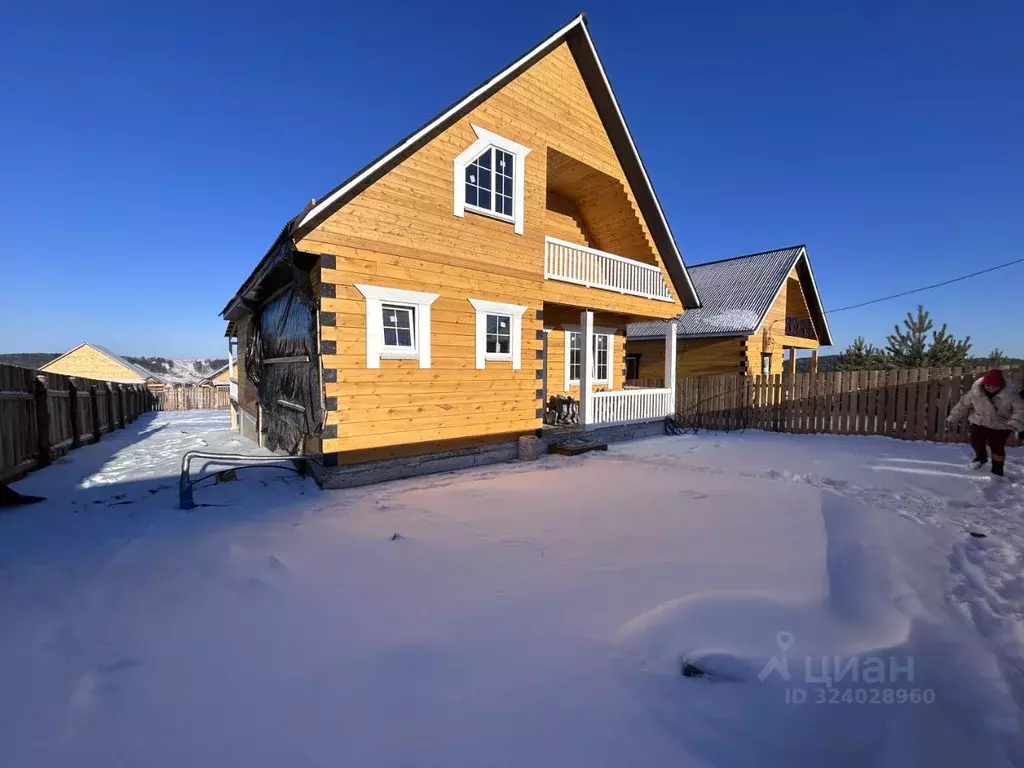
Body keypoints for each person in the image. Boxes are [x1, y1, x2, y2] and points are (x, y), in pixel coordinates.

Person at [946, 369, 1024, 476]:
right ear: (984, 384)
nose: (991, 388)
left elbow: (1020, 410)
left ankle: (997, 467)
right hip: (980, 421)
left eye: (995, 386)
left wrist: (1015, 423)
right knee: (976, 441)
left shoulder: (1011, 395)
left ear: (1001, 386)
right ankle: (981, 457)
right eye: (988, 385)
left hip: (1001, 424)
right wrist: (952, 418)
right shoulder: (975, 393)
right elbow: (962, 405)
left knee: (997, 446)